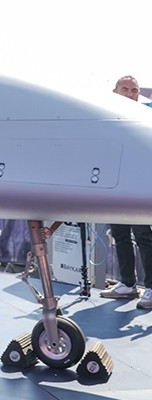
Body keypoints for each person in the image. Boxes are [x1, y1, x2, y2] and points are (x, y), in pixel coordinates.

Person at [100, 75, 152, 309]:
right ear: (115, 91)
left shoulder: (146, 115)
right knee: (120, 235)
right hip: (116, 186)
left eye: (134, 90)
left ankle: (150, 287)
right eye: (126, 89)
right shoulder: (103, 115)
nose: (131, 93)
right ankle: (128, 283)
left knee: (144, 237)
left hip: (139, 186)